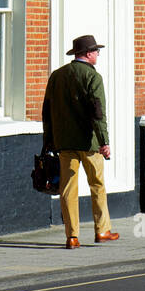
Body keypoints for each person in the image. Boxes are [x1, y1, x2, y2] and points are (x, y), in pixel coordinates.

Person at [42, 34, 120, 249]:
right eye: (96, 51)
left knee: (68, 190)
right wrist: (104, 141)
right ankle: (102, 230)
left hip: (64, 143)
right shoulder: (93, 77)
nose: (98, 55)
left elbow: (47, 112)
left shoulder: (57, 76)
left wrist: (48, 140)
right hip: (89, 144)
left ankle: (72, 236)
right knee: (97, 184)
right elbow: (98, 113)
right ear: (87, 53)